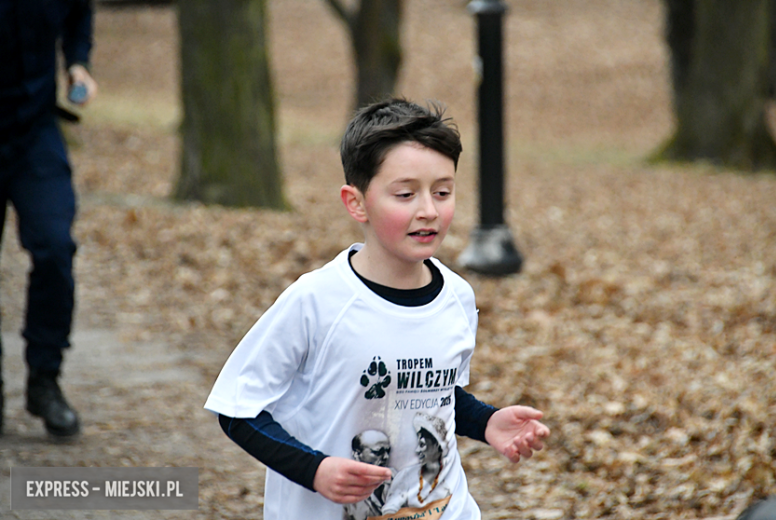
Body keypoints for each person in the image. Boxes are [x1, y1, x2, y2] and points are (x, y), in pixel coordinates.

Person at [205, 98, 550, 520]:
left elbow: (427, 397)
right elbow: (237, 409)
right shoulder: (316, 300)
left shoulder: (457, 297)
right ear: (356, 203)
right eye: (405, 194)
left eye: (442, 192)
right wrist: (314, 470)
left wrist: (486, 422)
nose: (428, 210)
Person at [0, 0, 98, 437]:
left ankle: (44, 381)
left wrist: (77, 64)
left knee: (56, 247)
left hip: (34, 132)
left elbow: (80, 13)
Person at [344, 430, 394, 520]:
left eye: (388, 451)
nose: (386, 457)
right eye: (378, 452)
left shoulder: (399, 479)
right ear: (357, 453)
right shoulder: (344, 490)